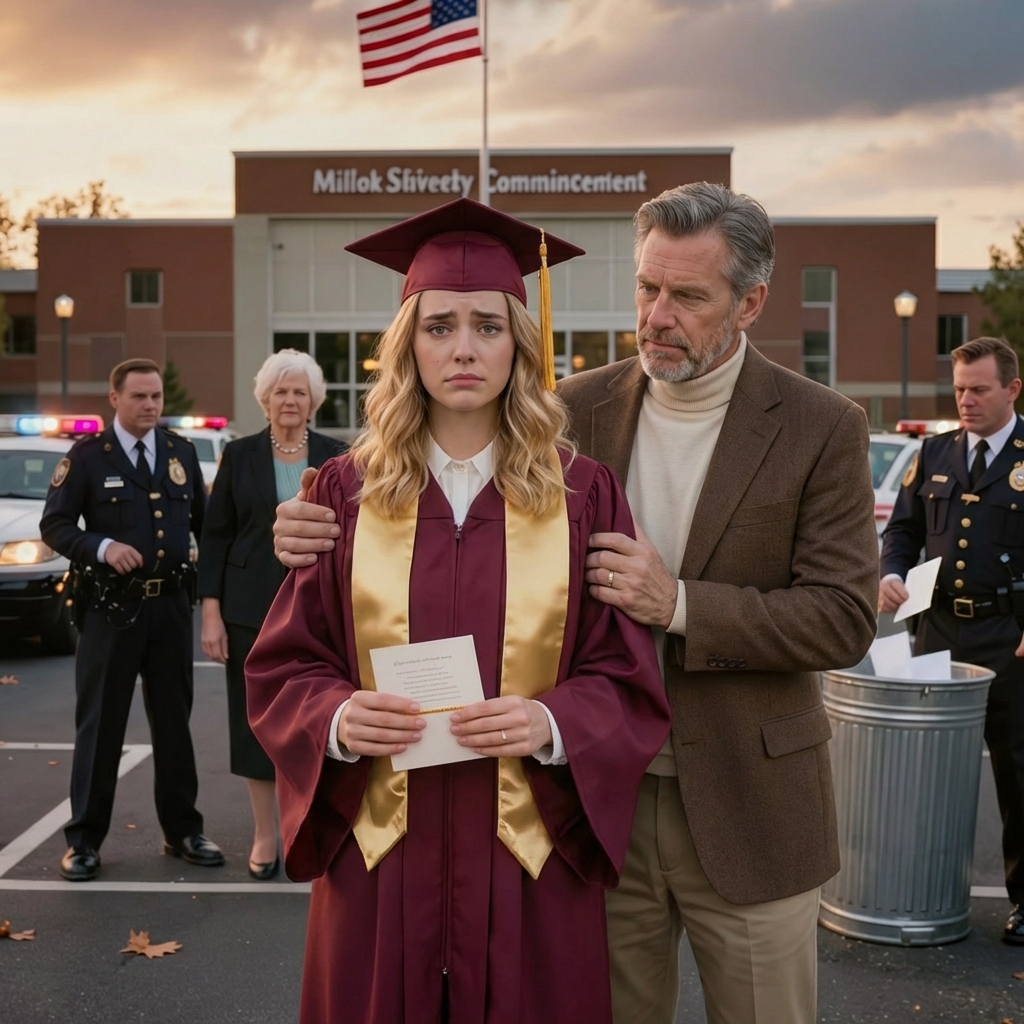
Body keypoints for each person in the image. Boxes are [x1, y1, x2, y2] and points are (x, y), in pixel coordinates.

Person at [273, 183, 879, 1024]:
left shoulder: (819, 427)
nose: (658, 315)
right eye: (647, 289)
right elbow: (303, 648)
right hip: (587, 819)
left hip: (735, 795)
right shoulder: (571, 414)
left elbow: (845, 617)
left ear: (751, 304)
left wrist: (676, 606)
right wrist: (305, 558)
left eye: (689, 296)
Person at [244, 197, 671, 1024]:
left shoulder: (583, 495)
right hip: (381, 853)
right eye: (438, 326)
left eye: (487, 325)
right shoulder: (347, 492)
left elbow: (625, 673)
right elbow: (287, 663)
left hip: (527, 854)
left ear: (521, 341)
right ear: (409, 345)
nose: (464, 348)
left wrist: (551, 725)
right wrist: (335, 719)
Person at [40, 358, 223, 881]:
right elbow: (54, 524)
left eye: (157, 397)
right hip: (111, 612)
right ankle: (84, 840)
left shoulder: (180, 453)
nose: (150, 406)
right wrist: (99, 545)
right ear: (114, 399)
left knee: (174, 724)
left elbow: (206, 531)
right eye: (140, 397)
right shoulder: (88, 458)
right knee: (101, 726)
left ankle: (183, 830)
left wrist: (213, 600)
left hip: (168, 609)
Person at [880, 336, 1024, 945]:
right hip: (935, 630)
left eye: (979, 390)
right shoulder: (933, 451)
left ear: (1012, 390)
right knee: (924, 769)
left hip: (1008, 637)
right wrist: (891, 573)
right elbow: (905, 531)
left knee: (1016, 773)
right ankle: (922, 889)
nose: (965, 400)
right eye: (960, 389)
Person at [197, 350, 345, 879]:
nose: (290, 400)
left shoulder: (337, 455)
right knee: (255, 722)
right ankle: (265, 833)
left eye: (299, 391)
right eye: (281, 391)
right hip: (249, 609)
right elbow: (215, 537)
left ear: (313, 401)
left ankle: (311, 824)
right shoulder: (238, 456)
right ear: (265, 400)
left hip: (320, 610)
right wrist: (210, 614)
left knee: (320, 717)